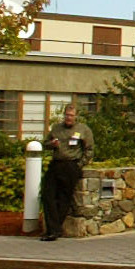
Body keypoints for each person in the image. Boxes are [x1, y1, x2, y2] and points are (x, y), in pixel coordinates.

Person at [40, 103, 92, 241]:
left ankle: (54, 231)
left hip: (71, 166)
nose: (68, 118)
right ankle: (53, 228)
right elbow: (45, 144)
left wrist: (80, 164)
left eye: (71, 115)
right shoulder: (57, 128)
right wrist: (52, 145)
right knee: (47, 195)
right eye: (66, 115)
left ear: (76, 116)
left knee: (64, 198)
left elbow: (89, 149)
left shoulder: (83, 130)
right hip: (56, 164)